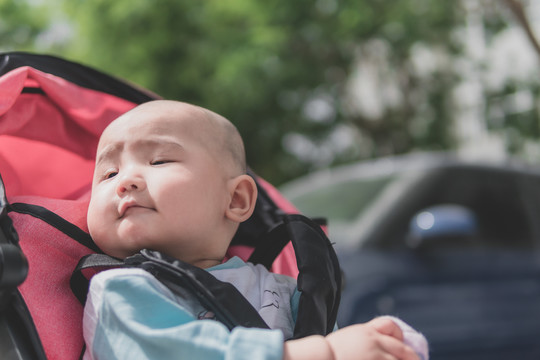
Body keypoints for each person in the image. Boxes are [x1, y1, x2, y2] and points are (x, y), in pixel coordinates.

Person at [83, 100, 428, 360]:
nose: (125, 181)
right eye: (109, 173)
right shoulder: (120, 292)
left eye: (159, 161)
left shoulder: (284, 291)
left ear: (235, 199)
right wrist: (322, 352)